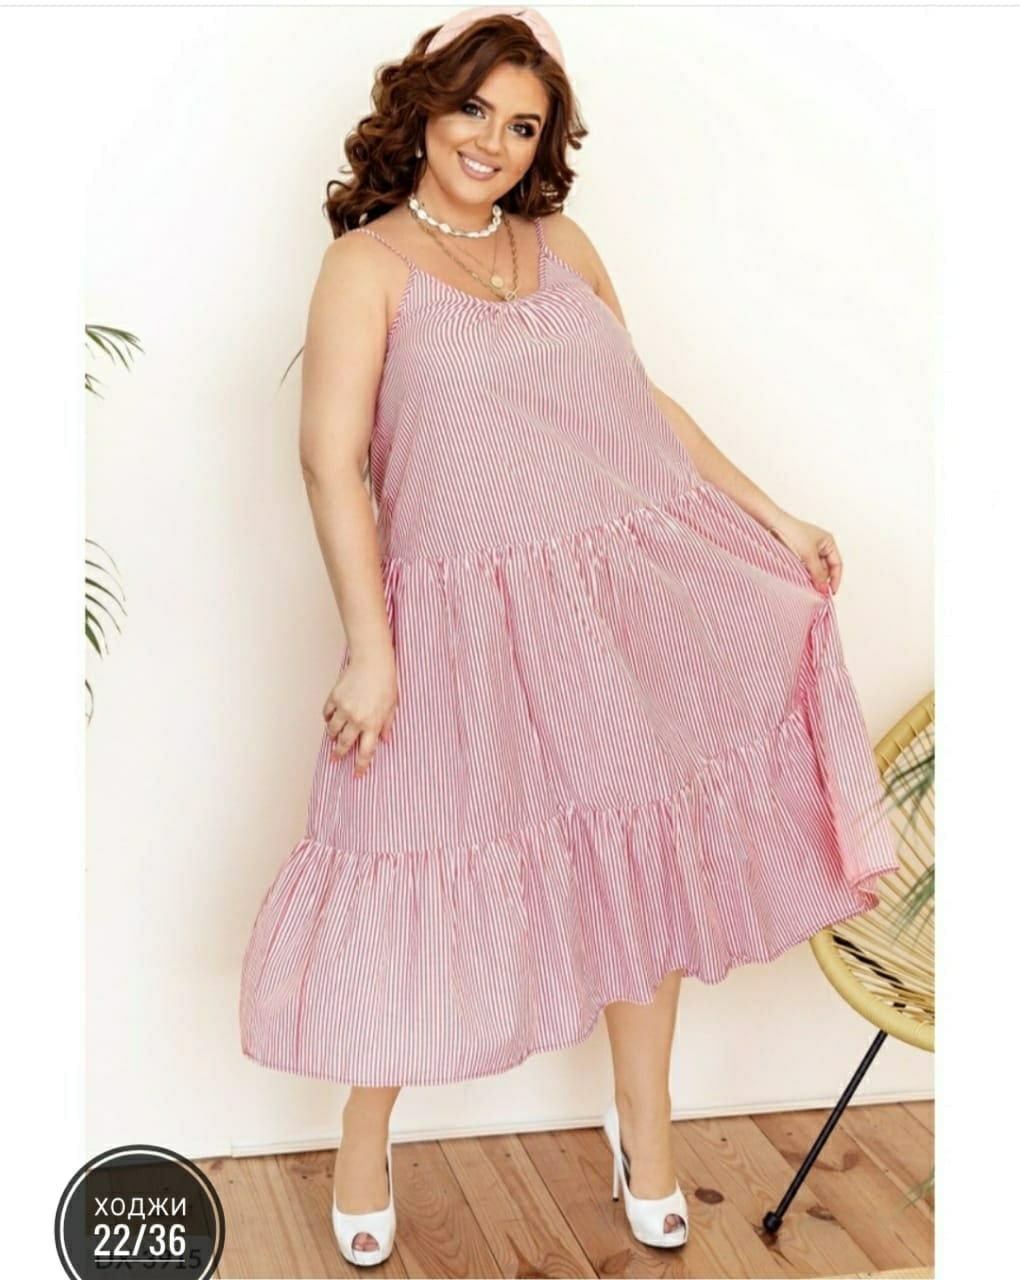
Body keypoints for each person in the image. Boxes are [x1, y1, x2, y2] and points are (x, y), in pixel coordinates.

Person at [239, 5, 901, 1267]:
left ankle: (644, 1126)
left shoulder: (564, 247)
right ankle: (366, 1135)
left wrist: (774, 513)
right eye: (473, 108)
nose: (491, 140)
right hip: (450, 628)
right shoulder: (367, 268)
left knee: (636, 856)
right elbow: (331, 465)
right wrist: (371, 647)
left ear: (544, 145)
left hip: (612, 614)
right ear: (424, 108)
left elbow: (638, 407)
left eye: (522, 124)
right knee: (405, 860)